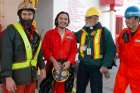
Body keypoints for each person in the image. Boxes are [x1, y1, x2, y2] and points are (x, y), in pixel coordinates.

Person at [1, 1, 46, 93]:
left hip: (31, 78)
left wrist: (42, 67)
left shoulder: (35, 34)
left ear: (33, 16)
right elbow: (6, 55)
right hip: (16, 79)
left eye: (30, 14)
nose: (27, 17)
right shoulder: (11, 31)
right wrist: (7, 77)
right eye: (24, 14)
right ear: (19, 15)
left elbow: (38, 53)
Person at [75, 7, 116, 93]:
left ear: (96, 18)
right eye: (86, 18)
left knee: (96, 90)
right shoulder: (82, 31)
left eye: (89, 17)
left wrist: (105, 65)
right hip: (83, 66)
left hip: (97, 67)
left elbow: (111, 50)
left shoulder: (104, 32)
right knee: (80, 89)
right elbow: (71, 37)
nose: (86, 20)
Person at [41, 11, 77, 93]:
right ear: (57, 20)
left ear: (68, 21)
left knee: (65, 89)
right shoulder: (49, 34)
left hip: (66, 67)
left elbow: (73, 51)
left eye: (65, 19)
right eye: (61, 18)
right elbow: (45, 49)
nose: (63, 21)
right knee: (49, 89)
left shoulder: (71, 35)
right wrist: (54, 61)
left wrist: (69, 62)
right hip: (51, 66)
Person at [114, 6, 140, 93]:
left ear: (137, 19)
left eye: (129, 18)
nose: (126, 20)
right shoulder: (123, 33)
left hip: (137, 72)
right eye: (126, 18)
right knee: (117, 91)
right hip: (123, 70)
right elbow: (117, 47)